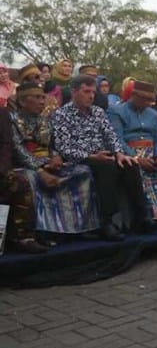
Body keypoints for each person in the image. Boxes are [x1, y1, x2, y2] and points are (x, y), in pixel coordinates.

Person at [51, 75, 144, 240]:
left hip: (103, 155)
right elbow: (63, 148)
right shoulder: (61, 115)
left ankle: (140, 218)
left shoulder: (98, 112)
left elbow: (111, 136)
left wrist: (119, 153)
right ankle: (106, 222)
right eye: (86, 91)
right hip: (79, 158)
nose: (91, 96)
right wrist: (91, 156)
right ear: (73, 92)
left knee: (130, 164)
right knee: (106, 167)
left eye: (93, 92)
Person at [11, 82, 99, 239]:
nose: (42, 102)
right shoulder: (11, 119)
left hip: (47, 162)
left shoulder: (45, 119)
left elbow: (53, 145)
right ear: (23, 101)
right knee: (30, 179)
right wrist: (40, 169)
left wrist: (56, 156)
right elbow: (18, 150)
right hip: (25, 165)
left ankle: (79, 229)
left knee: (83, 172)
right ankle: (40, 233)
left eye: (43, 98)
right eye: (37, 98)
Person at [108, 80, 157, 230]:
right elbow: (117, 139)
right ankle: (148, 217)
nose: (147, 102)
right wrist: (137, 159)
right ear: (133, 95)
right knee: (141, 174)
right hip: (129, 153)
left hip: (152, 153)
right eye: (144, 99)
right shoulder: (116, 111)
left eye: (150, 100)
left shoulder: (154, 114)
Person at [1, 105, 48, 253]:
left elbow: (6, 145)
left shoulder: (2, 114)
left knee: (19, 181)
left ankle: (23, 238)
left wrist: (2, 169)